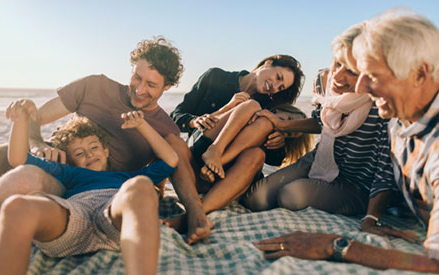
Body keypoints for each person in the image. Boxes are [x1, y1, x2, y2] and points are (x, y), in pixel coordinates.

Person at [255, 8, 439, 272]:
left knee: (290, 194)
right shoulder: (403, 116)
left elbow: (435, 264)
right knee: (263, 196)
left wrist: (338, 246)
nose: (360, 88)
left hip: (360, 189)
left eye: (373, 76)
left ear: (419, 74)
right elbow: (388, 165)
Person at [0, 37, 212, 245]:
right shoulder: (94, 85)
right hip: (52, 163)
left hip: (87, 192)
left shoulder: (165, 128)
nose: (140, 89)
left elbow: (172, 164)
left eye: (151, 85)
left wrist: (193, 210)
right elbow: (34, 119)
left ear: (168, 87)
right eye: (136, 77)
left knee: (21, 181)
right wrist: (37, 141)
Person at [243, 22, 409, 241]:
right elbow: (321, 123)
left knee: (290, 195)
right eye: (338, 63)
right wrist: (281, 125)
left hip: (358, 184)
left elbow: (384, 169)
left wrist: (371, 218)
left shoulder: (383, 105)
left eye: (351, 71)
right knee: (257, 199)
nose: (338, 77)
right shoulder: (324, 81)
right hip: (320, 159)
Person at [0, 99, 178, 275]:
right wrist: (21, 120)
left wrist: (141, 124)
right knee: (16, 206)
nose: (89, 155)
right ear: (71, 160)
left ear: (106, 150)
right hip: (74, 216)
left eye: (93, 147)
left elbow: (171, 160)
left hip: (115, 214)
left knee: (141, 185)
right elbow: (18, 158)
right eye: (80, 153)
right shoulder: (69, 172)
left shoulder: (127, 176)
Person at [165, 56, 309, 230]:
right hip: (196, 158)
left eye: (281, 87)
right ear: (268, 63)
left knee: (258, 150)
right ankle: (214, 153)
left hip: (223, 179)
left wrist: (278, 142)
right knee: (251, 106)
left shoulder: (270, 107)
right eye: (278, 77)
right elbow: (176, 116)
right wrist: (195, 121)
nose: (275, 87)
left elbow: (274, 160)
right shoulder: (216, 77)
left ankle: (194, 214)